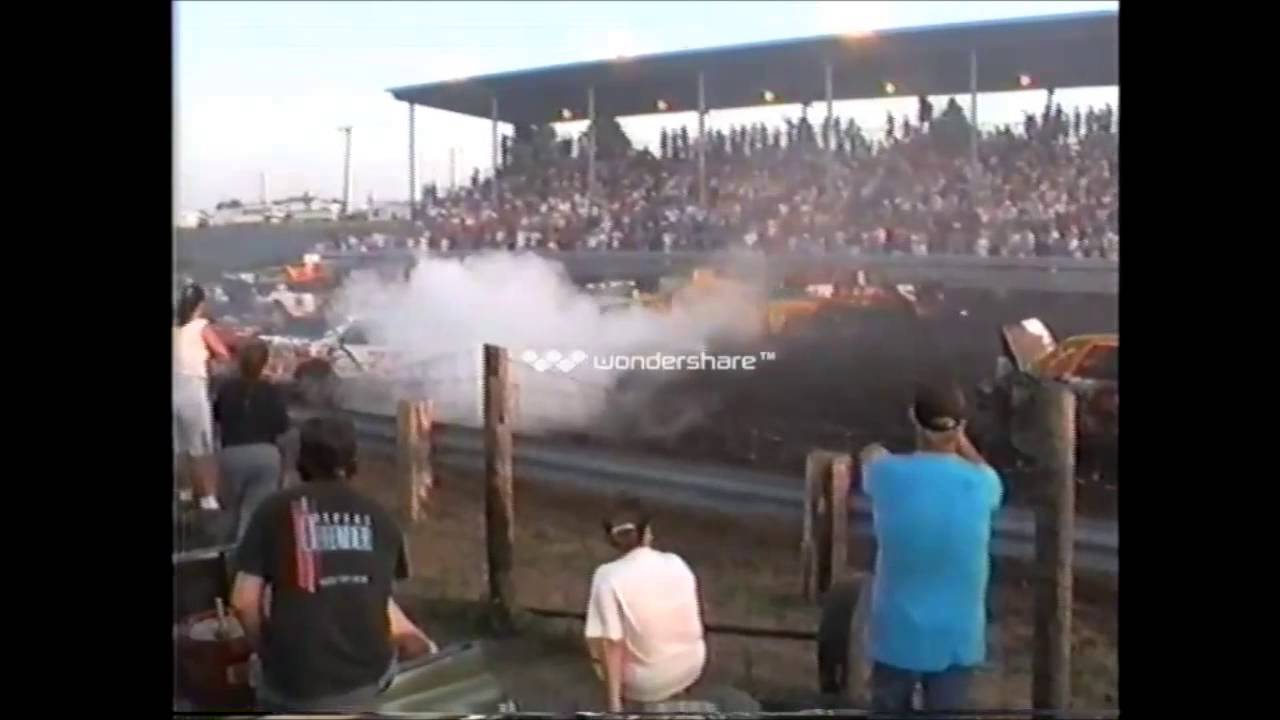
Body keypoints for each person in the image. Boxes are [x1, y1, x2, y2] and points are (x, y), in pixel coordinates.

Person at [230, 416, 436, 712]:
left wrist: (266, 651)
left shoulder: (273, 510)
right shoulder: (381, 518)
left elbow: (243, 602)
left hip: (292, 687)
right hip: (366, 683)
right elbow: (377, 596)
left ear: (300, 460)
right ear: (354, 462)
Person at [859, 381, 1003, 712]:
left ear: (913, 417)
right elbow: (983, 468)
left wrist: (875, 451)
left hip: (895, 631)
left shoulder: (886, 473)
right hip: (957, 636)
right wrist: (958, 438)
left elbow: (870, 457)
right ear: (962, 425)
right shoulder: (983, 483)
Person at [584, 502, 706, 712]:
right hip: (693, 664)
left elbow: (611, 643)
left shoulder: (607, 576)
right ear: (647, 533)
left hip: (650, 682)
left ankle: (625, 697)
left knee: (599, 634)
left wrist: (614, 706)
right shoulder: (676, 562)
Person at [213, 338, 290, 543]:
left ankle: (224, 552)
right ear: (264, 363)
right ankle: (247, 555)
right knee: (255, 512)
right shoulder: (273, 391)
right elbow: (282, 425)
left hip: (232, 454)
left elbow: (217, 417)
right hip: (266, 454)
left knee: (230, 510)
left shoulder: (226, 388)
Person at [174, 283, 231, 510]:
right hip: (193, 389)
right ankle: (208, 498)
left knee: (179, 447)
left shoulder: (175, 329)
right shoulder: (201, 326)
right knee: (201, 447)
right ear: (200, 304)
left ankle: (184, 492)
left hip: (175, 388)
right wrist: (211, 363)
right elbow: (223, 354)